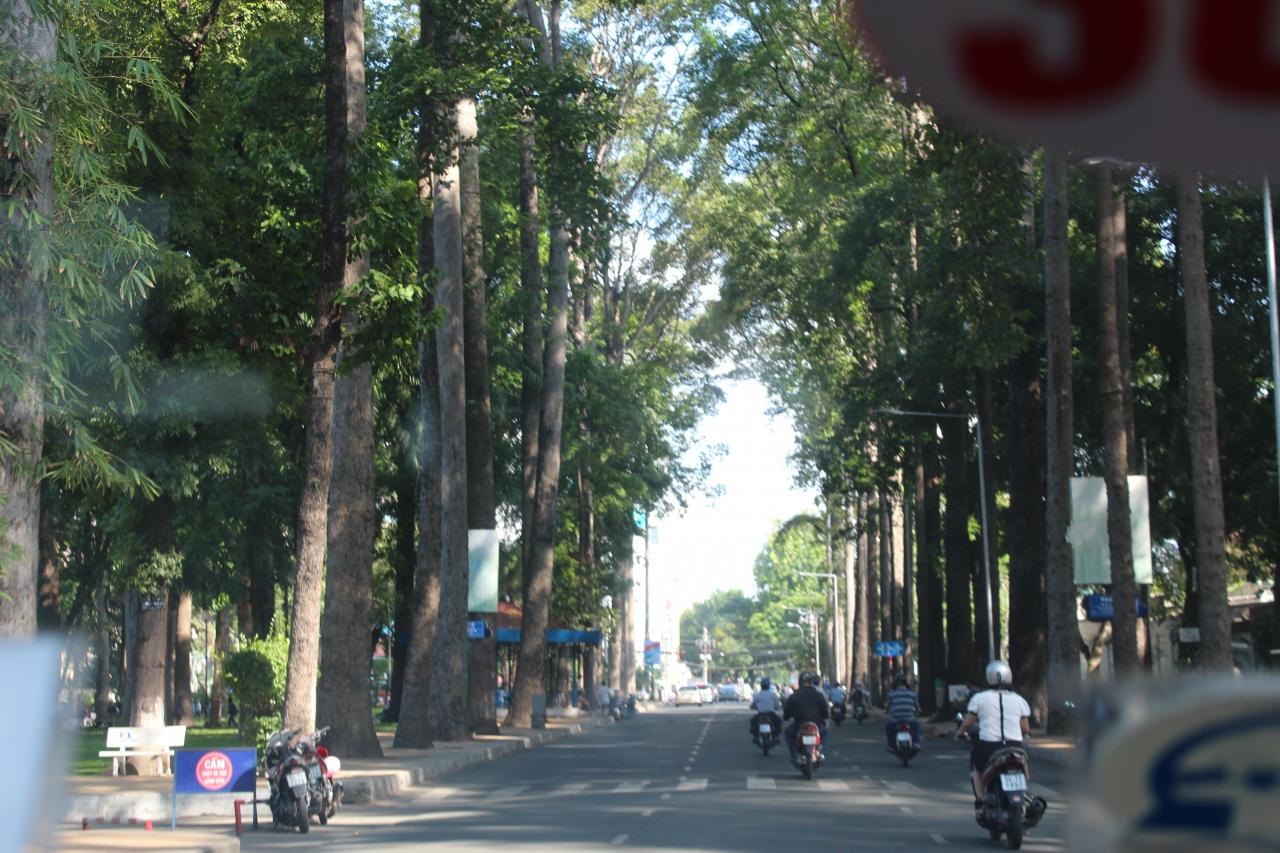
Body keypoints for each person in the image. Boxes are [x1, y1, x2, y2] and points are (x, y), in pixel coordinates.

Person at [955, 660, 1031, 808]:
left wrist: (959, 733)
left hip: (989, 747)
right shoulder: (1019, 700)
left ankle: (980, 800)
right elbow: (1025, 729)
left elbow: (968, 724)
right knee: (1023, 765)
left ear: (989, 677)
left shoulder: (979, 698)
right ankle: (1023, 793)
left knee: (976, 767)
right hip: (1015, 746)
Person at [783, 672, 829, 764]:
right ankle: (818, 750)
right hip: (816, 725)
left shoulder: (794, 696)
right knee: (825, 731)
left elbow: (787, 712)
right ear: (811, 682)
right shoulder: (818, 695)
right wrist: (823, 717)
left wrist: (787, 717)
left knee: (787, 733)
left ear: (800, 682)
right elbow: (825, 712)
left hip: (799, 726)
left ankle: (795, 754)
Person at [884, 674, 922, 751]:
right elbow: (917, 707)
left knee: (888, 727)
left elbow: (888, 706)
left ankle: (891, 746)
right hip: (909, 718)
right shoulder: (912, 694)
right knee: (916, 726)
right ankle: (916, 743)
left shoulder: (892, 694)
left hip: (895, 719)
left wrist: (887, 711)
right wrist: (918, 711)